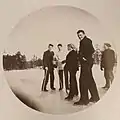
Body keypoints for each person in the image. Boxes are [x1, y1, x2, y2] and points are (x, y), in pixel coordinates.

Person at [74, 30, 100, 105]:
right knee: (90, 80)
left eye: (80, 35)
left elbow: (91, 51)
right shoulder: (87, 40)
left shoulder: (84, 41)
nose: (79, 36)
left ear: (84, 34)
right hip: (88, 63)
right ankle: (95, 97)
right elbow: (92, 50)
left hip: (86, 64)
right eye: (78, 35)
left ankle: (84, 100)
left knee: (83, 81)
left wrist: (85, 58)